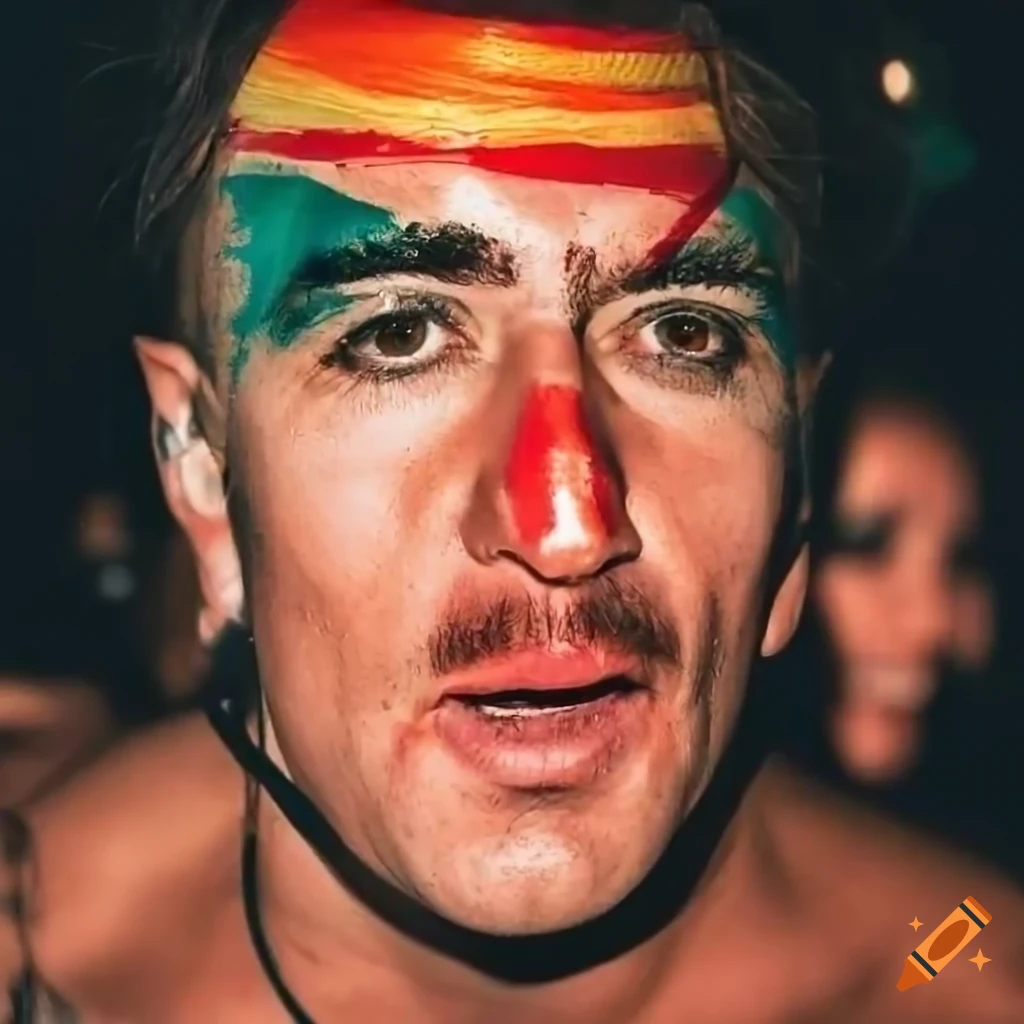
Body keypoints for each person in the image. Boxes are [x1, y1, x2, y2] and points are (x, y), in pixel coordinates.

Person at [4, 1, 1023, 1021]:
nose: (565, 527)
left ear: (794, 484)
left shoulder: (962, 965)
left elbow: (958, 952)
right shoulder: (42, 963)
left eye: (682, 332)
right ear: (198, 469)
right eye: (397, 333)